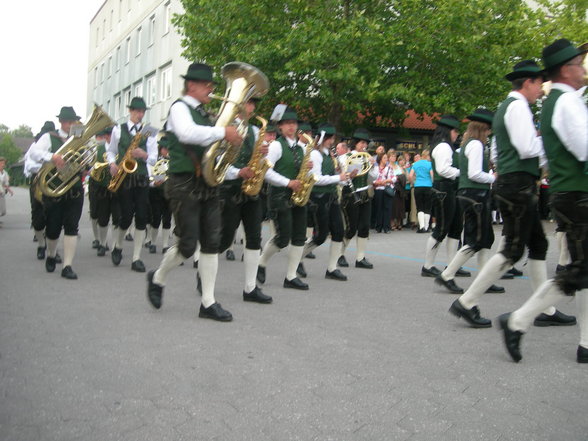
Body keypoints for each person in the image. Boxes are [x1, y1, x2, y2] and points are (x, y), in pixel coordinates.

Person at [449, 60, 576, 328]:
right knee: (513, 249)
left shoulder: (508, 108)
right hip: (518, 184)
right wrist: (554, 146)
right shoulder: (517, 106)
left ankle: (547, 309)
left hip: (514, 182)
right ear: (527, 82)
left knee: (537, 245)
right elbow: (527, 147)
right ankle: (466, 301)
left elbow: (499, 153)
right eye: (538, 84)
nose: (541, 90)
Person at [499, 39, 588, 363]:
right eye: (579, 64)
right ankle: (518, 320)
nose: (582, 69)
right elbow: (583, 148)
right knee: (577, 270)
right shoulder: (564, 102)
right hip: (577, 192)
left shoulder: (563, 101)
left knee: (581, 268)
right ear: (566, 69)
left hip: (571, 190)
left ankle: (586, 341)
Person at [146, 62, 242, 321]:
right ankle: (157, 277)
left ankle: (208, 302)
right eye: (207, 85)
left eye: (212, 85)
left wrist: (231, 144)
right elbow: (188, 135)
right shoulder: (179, 108)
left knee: (212, 243)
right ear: (191, 85)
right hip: (183, 183)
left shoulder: (205, 114)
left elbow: (213, 147)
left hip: (208, 183)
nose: (211, 89)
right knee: (188, 246)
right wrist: (224, 131)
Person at [436, 108, 503, 297]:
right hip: (475, 195)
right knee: (476, 240)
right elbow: (474, 173)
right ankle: (448, 274)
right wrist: (493, 177)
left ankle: (483, 279)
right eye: (488, 130)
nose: (489, 133)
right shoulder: (476, 146)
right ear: (484, 129)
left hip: (469, 194)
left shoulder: (467, 144)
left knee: (485, 238)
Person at [218, 97, 272, 303]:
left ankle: (250, 288)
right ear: (239, 105)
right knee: (224, 239)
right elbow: (218, 160)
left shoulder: (256, 132)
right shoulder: (226, 128)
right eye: (248, 103)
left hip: (251, 191)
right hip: (230, 189)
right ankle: (204, 272)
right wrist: (238, 171)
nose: (251, 108)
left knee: (254, 238)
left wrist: (261, 156)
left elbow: (257, 161)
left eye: (253, 105)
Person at [257, 107, 311, 290]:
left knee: (299, 237)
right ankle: (261, 262)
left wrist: (309, 168)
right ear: (280, 127)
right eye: (287, 123)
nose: (291, 126)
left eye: (294, 123)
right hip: (280, 195)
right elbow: (266, 173)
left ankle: (291, 276)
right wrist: (288, 183)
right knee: (282, 238)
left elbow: (306, 172)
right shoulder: (276, 146)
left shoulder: (303, 147)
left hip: (298, 196)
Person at [29, 107, 84, 279]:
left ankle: (67, 266)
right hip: (54, 190)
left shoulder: (80, 136)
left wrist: (85, 165)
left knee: (72, 227)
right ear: (61, 122)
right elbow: (34, 153)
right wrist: (52, 157)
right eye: (68, 121)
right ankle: (52, 254)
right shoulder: (49, 137)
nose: (71, 124)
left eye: (73, 121)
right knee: (52, 229)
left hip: (74, 189)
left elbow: (87, 155)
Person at [107, 97, 158, 272]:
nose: (140, 114)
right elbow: (111, 150)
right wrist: (112, 164)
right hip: (124, 178)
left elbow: (154, 158)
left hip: (142, 178)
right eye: (137, 111)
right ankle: (118, 245)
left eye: (142, 111)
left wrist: (144, 155)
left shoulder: (149, 131)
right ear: (130, 111)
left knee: (142, 217)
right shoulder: (118, 130)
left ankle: (136, 258)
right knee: (126, 216)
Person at [421, 115, 468, 278]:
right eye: (455, 131)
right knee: (441, 228)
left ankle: (451, 265)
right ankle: (427, 265)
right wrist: (463, 174)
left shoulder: (446, 146)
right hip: (444, 189)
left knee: (456, 228)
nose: (457, 134)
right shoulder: (443, 147)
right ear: (448, 131)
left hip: (449, 188)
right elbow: (443, 170)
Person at [301, 123, 348, 280]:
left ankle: (332, 268)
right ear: (321, 138)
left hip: (332, 196)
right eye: (329, 138)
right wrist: (337, 177)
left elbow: (336, 180)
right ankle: (298, 257)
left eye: (333, 138)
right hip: (318, 198)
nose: (331, 141)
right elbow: (316, 179)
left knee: (339, 232)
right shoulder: (315, 155)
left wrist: (346, 177)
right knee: (320, 236)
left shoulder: (330, 155)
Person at [338, 128, 378, 269]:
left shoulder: (367, 157)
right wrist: (350, 175)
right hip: (350, 193)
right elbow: (340, 180)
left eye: (365, 143)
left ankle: (360, 258)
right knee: (351, 227)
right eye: (361, 143)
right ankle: (339, 254)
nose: (364, 146)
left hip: (364, 193)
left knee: (364, 226)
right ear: (355, 143)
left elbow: (374, 178)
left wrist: (373, 166)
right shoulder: (345, 157)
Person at [146, 136, 172, 254]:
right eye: (164, 149)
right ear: (160, 149)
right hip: (156, 191)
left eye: (168, 149)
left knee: (167, 219)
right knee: (155, 218)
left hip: (169, 193)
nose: (167, 151)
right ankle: (153, 242)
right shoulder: (154, 160)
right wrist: (155, 181)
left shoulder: (173, 161)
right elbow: (150, 174)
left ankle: (166, 245)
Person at [409, 149, 433, 233]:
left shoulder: (415, 164)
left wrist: (413, 183)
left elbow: (410, 175)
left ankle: (421, 226)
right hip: (428, 186)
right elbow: (432, 175)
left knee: (420, 207)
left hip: (418, 186)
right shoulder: (430, 164)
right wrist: (431, 182)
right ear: (427, 156)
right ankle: (426, 227)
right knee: (427, 207)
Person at [372, 153, 394, 233]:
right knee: (379, 208)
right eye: (384, 158)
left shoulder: (389, 168)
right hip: (378, 189)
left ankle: (386, 227)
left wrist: (387, 180)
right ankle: (379, 227)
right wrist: (378, 183)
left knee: (387, 208)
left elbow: (394, 178)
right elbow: (372, 179)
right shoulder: (375, 168)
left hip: (387, 189)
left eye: (386, 158)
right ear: (380, 159)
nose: (386, 160)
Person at [0, 157, 14, 223]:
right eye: (1, 163)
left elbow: (6, 184)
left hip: (1, 193)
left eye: (4, 163)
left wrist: (10, 190)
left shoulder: (5, 173)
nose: (3, 164)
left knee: (3, 211)